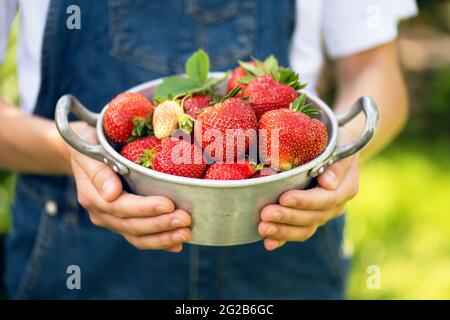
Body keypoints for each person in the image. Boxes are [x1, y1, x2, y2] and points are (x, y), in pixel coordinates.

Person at [0, 0, 417, 299]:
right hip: (80, 251)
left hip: (286, 236)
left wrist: (339, 150)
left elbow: (376, 73)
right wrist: (79, 149)